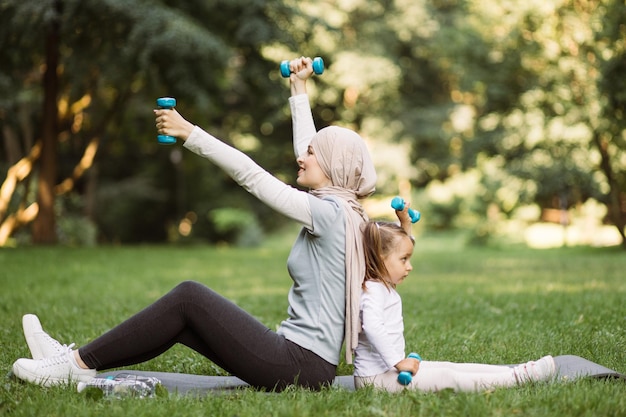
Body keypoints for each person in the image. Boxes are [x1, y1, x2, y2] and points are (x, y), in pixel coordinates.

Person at [11, 56, 377, 391]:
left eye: (313, 153)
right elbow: (306, 150)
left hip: (299, 366)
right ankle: (76, 362)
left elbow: (252, 176)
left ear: (332, 167)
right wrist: (299, 88)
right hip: (300, 362)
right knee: (184, 319)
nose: (303, 156)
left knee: (190, 296)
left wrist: (190, 133)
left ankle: (73, 365)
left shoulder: (329, 214)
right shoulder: (342, 210)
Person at [353, 205, 557, 393]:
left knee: (449, 367)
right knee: (446, 377)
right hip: (375, 379)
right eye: (404, 260)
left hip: (385, 372)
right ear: (381, 260)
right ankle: (519, 378)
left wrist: (405, 223)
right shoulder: (373, 290)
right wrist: (398, 362)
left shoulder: (382, 283)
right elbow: (372, 327)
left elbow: (401, 245)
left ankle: (515, 372)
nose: (410, 266)